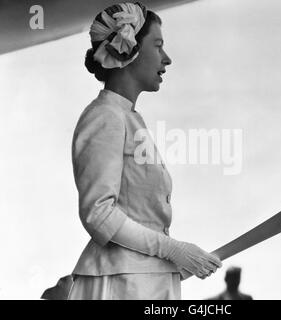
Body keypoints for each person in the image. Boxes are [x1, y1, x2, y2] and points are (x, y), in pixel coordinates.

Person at [67, 2, 222, 300]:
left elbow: (136, 218)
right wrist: (172, 250)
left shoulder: (126, 118)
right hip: (120, 285)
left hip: (143, 284)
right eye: (159, 45)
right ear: (131, 51)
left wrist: (169, 261)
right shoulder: (105, 116)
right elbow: (98, 213)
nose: (167, 58)